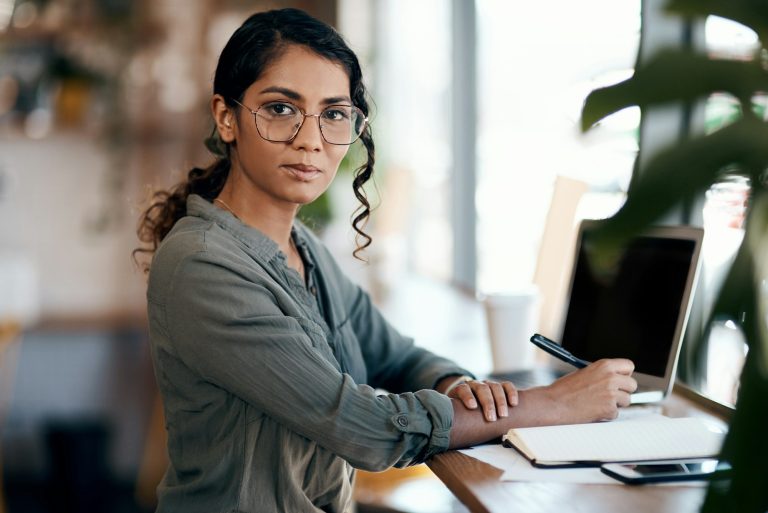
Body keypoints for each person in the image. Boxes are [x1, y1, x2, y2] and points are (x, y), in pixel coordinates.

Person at [135, 8, 637, 513]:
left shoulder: (304, 252)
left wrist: (465, 390)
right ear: (227, 116)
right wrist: (548, 405)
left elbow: (396, 358)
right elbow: (365, 429)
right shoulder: (203, 266)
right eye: (281, 109)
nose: (310, 139)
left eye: (333, 114)